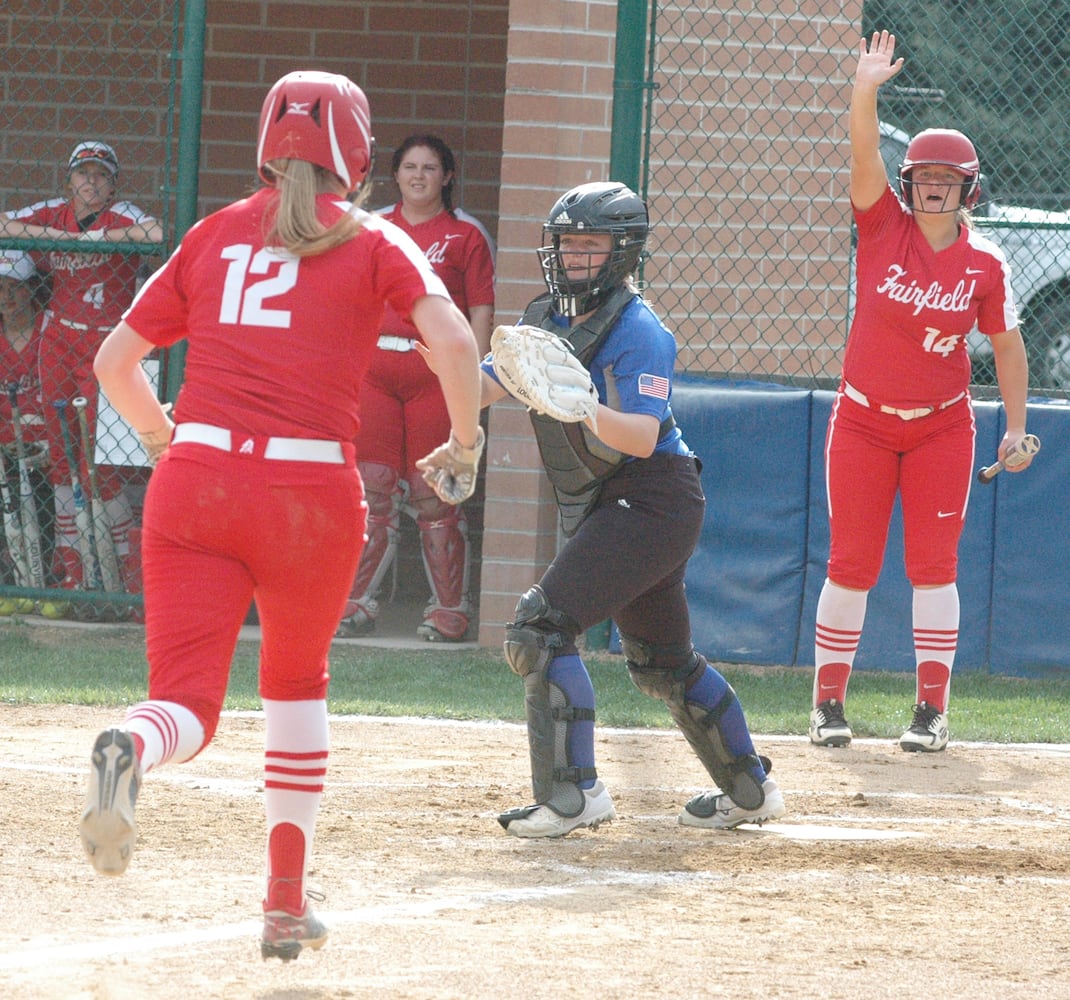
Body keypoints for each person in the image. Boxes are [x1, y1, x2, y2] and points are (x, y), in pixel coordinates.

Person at [78, 70, 484, 962]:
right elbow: (454, 341)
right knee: (295, 690)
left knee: (185, 702)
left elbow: (115, 364)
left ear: (267, 141)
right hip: (307, 499)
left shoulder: (212, 233)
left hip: (195, 484)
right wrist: (464, 441)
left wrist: (160, 438)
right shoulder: (374, 239)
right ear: (359, 151)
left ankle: (131, 746)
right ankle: (282, 902)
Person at [477, 181, 785, 837]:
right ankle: (750, 790)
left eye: (589, 244)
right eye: (565, 242)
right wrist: (455, 429)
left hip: (654, 498)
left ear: (623, 252)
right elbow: (478, 383)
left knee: (540, 629)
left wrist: (580, 404)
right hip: (614, 504)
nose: (571, 255)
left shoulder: (640, 328)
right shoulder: (543, 320)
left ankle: (573, 795)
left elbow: (641, 436)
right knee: (661, 664)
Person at [809, 32, 1032, 754]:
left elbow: (1007, 346)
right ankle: (827, 704)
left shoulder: (986, 262)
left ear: (971, 187)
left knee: (933, 566)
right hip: (864, 421)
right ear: (907, 182)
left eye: (948, 175)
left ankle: (931, 710)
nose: (933, 184)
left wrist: (1014, 427)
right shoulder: (880, 226)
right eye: (923, 174)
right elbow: (863, 153)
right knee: (851, 563)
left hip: (942, 426)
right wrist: (865, 88)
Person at [336, 134, 495, 642]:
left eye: (430, 167)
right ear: (396, 174)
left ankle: (449, 611)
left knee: (435, 493)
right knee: (371, 487)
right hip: (375, 369)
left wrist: (469, 376)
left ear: (447, 176)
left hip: (434, 373)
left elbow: (480, 312)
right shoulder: (373, 227)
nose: (419, 176)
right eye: (409, 167)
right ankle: (354, 604)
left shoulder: (466, 234)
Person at [0, 141, 163, 594]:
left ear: (112, 185)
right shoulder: (54, 210)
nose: (90, 182)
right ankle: (72, 572)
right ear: (68, 179)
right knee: (61, 454)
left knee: (100, 460)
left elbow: (154, 234)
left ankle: (120, 578)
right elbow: (4, 223)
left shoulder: (122, 213)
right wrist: (58, 239)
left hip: (107, 345)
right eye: (82, 173)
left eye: (101, 175)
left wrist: (92, 240)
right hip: (59, 338)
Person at [0, 250, 54, 594]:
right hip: (5, 449)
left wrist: (55, 446)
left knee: (46, 496)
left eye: (14, 287)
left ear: (32, 288)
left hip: (49, 448)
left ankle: (48, 575)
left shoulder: (54, 327)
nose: (5, 297)